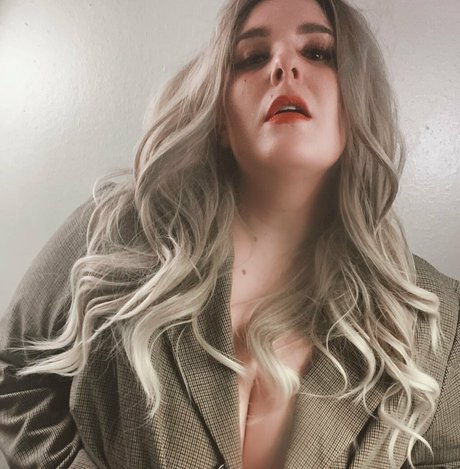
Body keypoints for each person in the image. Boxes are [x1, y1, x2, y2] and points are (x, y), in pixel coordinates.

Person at [0, 0, 459, 467]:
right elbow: (14, 373)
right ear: (221, 117)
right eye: (252, 58)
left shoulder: (433, 314)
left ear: (357, 100)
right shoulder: (116, 233)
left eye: (318, 52)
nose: (284, 66)